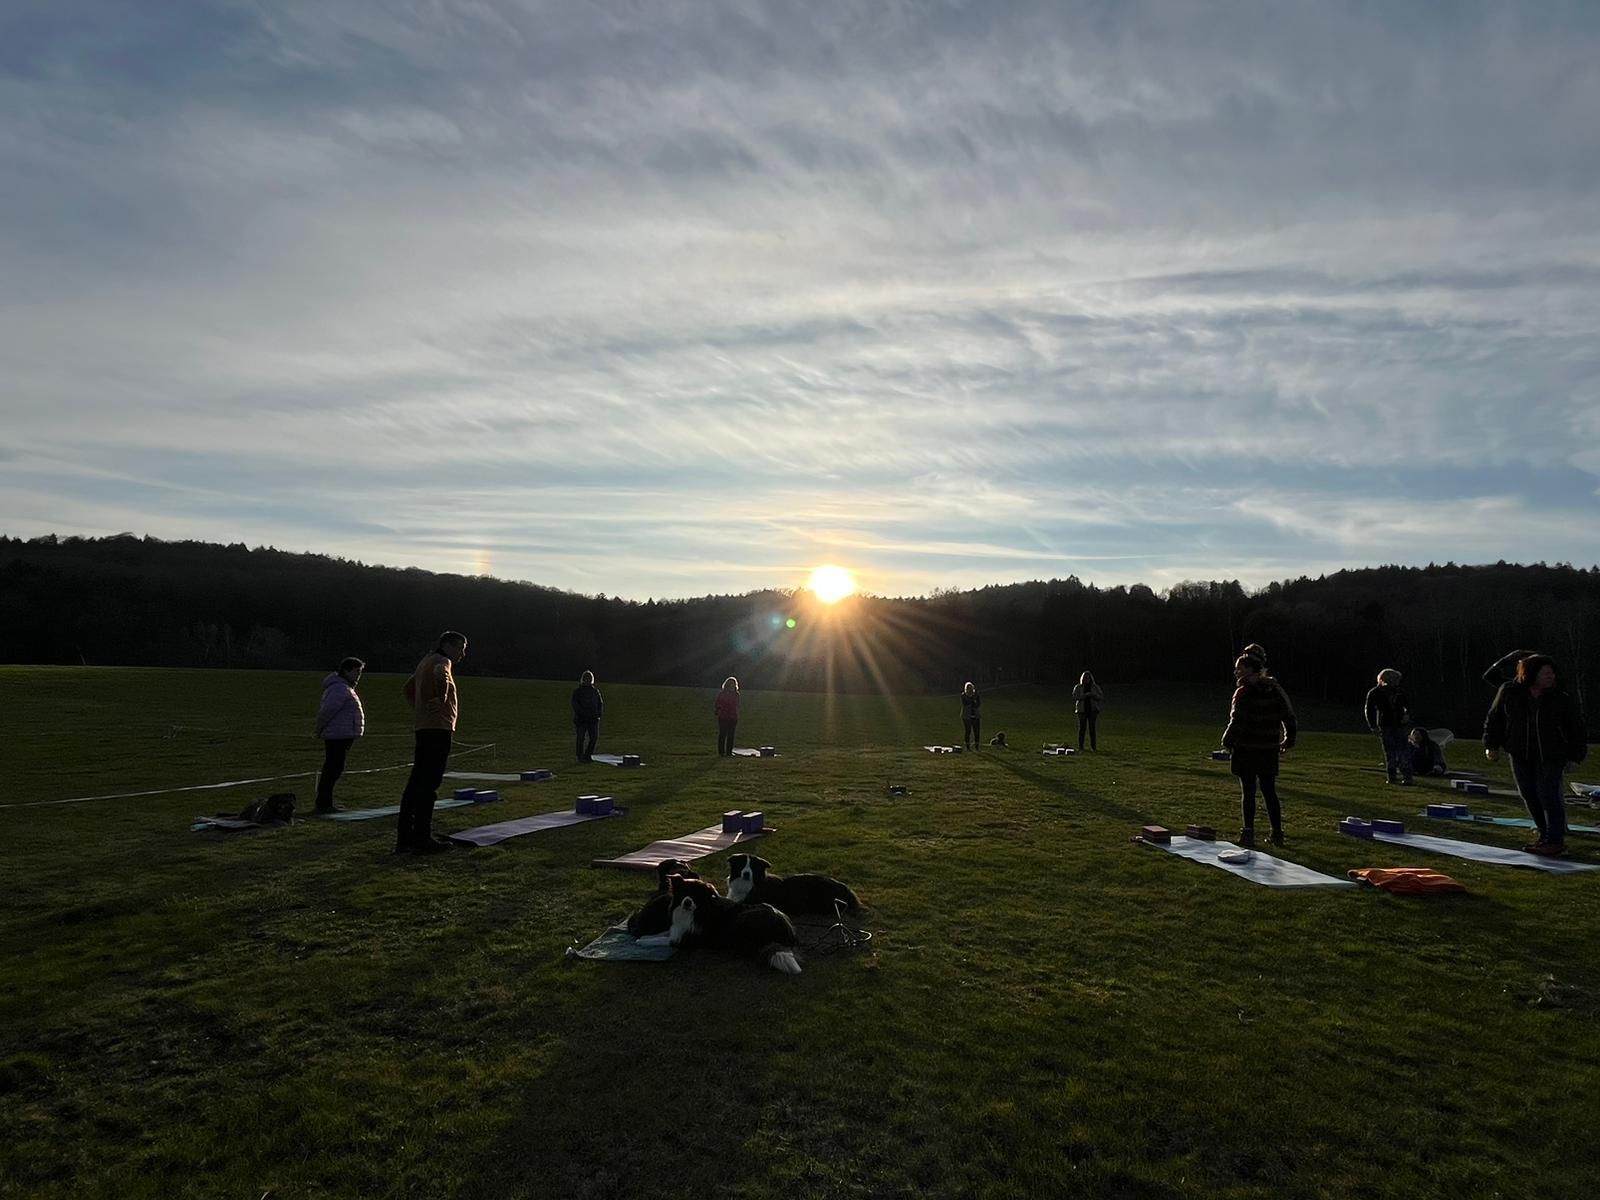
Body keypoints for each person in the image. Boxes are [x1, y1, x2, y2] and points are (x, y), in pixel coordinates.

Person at [1484, 654, 1589, 856]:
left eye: (1552, 673)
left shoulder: (1560, 697)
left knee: (1548, 794)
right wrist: (1491, 745)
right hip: (1519, 752)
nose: (1551, 677)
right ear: (1532, 674)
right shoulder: (1509, 692)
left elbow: (1576, 728)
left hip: (1551, 754)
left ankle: (1555, 840)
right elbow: (1494, 719)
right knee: (1529, 794)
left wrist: (1576, 756)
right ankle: (1544, 834)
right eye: (1546, 674)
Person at [396, 631, 467, 855]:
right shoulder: (441, 662)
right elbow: (441, 677)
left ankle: (406, 836)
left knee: (416, 782)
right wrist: (440, 700)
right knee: (430, 784)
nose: (462, 655)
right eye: (461, 649)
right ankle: (422, 836)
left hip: (424, 726)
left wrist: (421, 709)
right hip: (438, 728)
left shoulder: (424, 661)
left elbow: (408, 689)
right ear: (449, 646)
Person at [1221, 652, 1297, 847]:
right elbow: (1288, 716)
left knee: (1248, 791)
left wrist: (1227, 741)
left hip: (1247, 748)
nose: (1236, 671)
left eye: (1240, 667)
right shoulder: (1275, 690)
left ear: (1251, 669)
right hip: (1268, 749)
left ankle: (1248, 833)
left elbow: (1237, 720)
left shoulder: (1244, 692)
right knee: (1269, 791)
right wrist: (1289, 739)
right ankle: (1277, 833)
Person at [312, 656, 365, 813]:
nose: (358, 675)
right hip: (337, 735)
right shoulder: (339, 689)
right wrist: (319, 729)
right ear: (346, 670)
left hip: (342, 734)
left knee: (334, 768)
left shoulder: (344, 688)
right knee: (332, 768)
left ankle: (325, 802)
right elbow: (327, 711)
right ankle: (324, 803)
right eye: (356, 671)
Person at [1364, 668, 1413, 784]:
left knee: (1401, 750)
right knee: (1391, 751)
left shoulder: (1400, 692)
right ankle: (1393, 775)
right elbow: (1369, 710)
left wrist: (1407, 715)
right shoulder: (1375, 693)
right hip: (1386, 724)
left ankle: (1405, 775)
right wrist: (1373, 726)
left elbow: (1408, 705)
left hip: (1399, 724)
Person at [572, 670, 604, 762]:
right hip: (581, 719)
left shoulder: (595, 691)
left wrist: (598, 714)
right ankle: (580, 756)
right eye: (586, 679)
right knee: (580, 738)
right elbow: (575, 704)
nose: (588, 681)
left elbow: (600, 703)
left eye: (589, 679)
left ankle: (588, 755)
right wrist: (582, 714)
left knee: (594, 738)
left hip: (593, 719)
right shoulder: (578, 692)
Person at [1072, 671, 1104, 751]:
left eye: (1088, 678)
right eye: (1085, 678)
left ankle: (1093, 747)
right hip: (1082, 710)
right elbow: (1075, 696)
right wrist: (1084, 696)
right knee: (1082, 729)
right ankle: (1081, 746)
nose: (1086, 679)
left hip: (1092, 710)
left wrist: (1093, 695)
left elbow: (1100, 696)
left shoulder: (1095, 687)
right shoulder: (1078, 687)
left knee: (1092, 729)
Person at [714, 676, 740, 756]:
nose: (732, 686)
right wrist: (718, 709)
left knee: (731, 735)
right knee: (722, 734)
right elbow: (717, 703)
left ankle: (729, 752)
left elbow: (737, 704)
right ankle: (721, 752)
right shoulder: (722, 694)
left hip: (732, 717)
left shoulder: (736, 694)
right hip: (723, 717)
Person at [960, 682, 981, 750]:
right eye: (969, 689)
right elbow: (965, 703)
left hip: (975, 715)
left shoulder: (976, 695)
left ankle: (977, 746)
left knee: (976, 731)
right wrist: (972, 700)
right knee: (968, 731)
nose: (970, 690)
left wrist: (974, 701)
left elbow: (978, 704)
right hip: (966, 716)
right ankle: (968, 747)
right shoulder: (963, 695)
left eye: (971, 689)